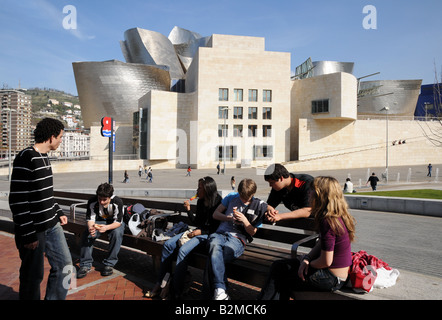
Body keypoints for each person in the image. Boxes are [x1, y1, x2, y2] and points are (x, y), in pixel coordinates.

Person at [258, 176, 356, 300]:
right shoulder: (333, 216)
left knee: (280, 274)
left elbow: (326, 261)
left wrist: (307, 264)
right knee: (279, 268)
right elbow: (321, 243)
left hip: (331, 278)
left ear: (321, 195)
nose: (308, 193)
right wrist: (308, 258)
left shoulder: (328, 221)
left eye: (312, 190)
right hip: (334, 274)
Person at [9, 118, 73, 300]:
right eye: (60, 137)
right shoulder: (26, 157)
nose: (61, 141)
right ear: (51, 137)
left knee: (66, 265)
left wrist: (58, 212)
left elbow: (45, 194)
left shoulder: (44, 158)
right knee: (33, 275)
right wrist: (28, 234)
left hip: (51, 225)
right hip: (33, 229)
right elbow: (17, 200)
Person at [144, 177, 222, 299]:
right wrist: (189, 210)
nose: (197, 190)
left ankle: (175, 291)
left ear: (207, 189)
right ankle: (160, 283)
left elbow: (217, 228)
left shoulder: (218, 202)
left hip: (208, 235)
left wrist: (200, 232)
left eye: (199, 187)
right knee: (168, 245)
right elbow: (197, 221)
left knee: (182, 251)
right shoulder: (201, 201)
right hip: (196, 232)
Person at [205, 178, 268, 300]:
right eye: (241, 196)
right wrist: (229, 218)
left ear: (253, 195)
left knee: (216, 257)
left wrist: (244, 220)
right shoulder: (231, 197)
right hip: (221, 234)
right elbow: (215, 214)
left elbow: (253, 232)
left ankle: (217, 291)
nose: (243, 200)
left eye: (246, 198)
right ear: (238, 192)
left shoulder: (257, 206)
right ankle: (220, 291)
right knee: (214, 246)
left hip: (238, 238)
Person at [77, 183, 125, 278]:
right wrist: (91, 228)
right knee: (87, 234)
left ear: (110, 197)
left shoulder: (117, 202)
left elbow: (118, 222)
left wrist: (106, 227)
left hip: (114, 222)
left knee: (117, 233)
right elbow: (90, 219)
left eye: (104, 200)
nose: (101, 202)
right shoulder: (92, 201)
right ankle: (85, 264)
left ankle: (109, 264)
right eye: (100, 199)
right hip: (99, 221)